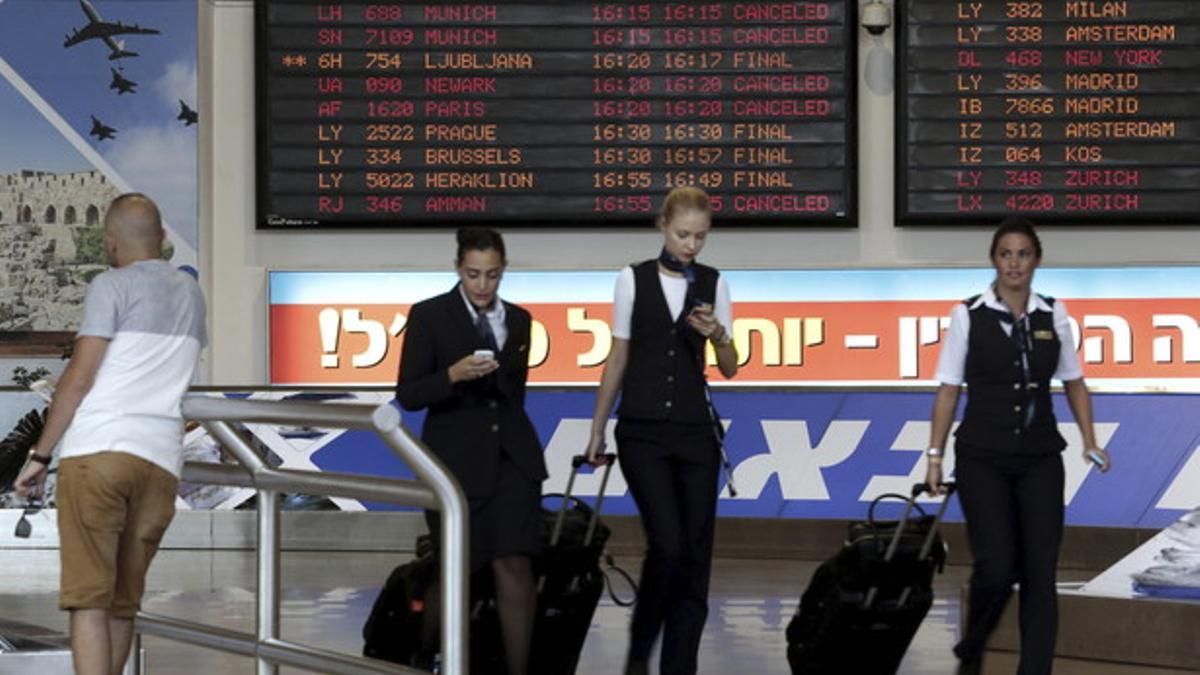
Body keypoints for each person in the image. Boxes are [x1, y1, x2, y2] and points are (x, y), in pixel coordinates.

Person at [14, 193, 207, 675]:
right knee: (123, 602)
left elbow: (78, 378)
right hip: (161, 461)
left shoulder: (110, 284)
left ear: (110, 243)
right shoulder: (190, 293)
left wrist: (39, 456)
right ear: (162, 239)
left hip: (100, 453)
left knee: (89, 601)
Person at [924, 216, 1111, 675]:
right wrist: (934, 456)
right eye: (1006, 254)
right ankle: (973, 646)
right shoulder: (966, 314)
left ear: (1036, 261)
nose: (1014, 263)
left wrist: (1089, 440)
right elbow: (949, 389)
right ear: (994, 260)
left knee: (1039, 573)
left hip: (1040, 458)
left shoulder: (1054, 314)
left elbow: (1074, 383)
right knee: (997, 566)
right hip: (981, 457)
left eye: (1023, 254)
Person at [585, 186, 738, 675]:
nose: (692, 245)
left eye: (700, 236)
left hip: (696, 433)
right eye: (683, 234)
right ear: (662, 227)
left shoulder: (716, 284)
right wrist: (597, 429)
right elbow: (618, 357)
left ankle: (679, 666)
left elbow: (731, 367)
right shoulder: (632, 280)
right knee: (668, 545)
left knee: (695, 556)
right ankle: (639, 648)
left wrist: (718, 335)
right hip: (643, 432)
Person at [396, 227, 546, 675]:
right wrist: (453, 375)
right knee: (453, 570)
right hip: (454, 462)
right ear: (458, 268)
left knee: (514, 562)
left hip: (512, 459)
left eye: (492, 275)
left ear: (504, 272)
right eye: (474, 274)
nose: (483, 285)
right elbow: (409, 393)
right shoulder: (429, 316)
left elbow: (513, 395)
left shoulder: (520, 320)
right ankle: (426, 657)